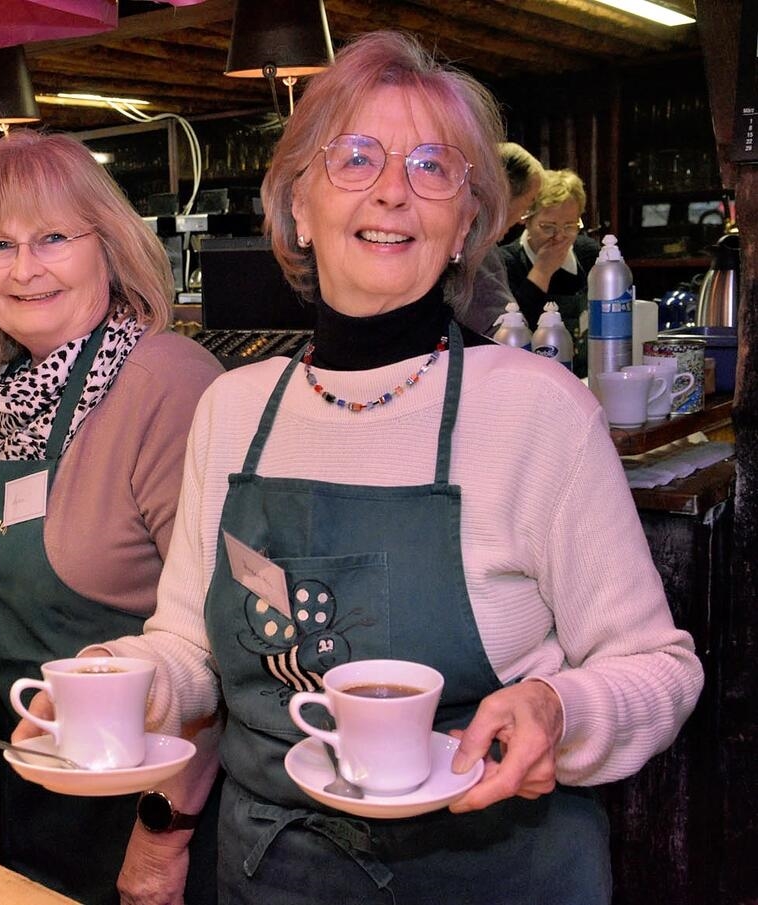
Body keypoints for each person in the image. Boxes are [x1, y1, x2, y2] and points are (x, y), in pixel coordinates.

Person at [87, 32, 702, 904]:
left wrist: (561, 711)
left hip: (494, 869)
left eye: (431, 166)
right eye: (356, 157)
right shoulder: (233, 409)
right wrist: (135, 682)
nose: (391, 189)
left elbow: (660, 665)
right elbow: (188, 645)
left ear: (465, 225)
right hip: (272, 873)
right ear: (298, 207)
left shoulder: (536, 408)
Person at [0, 130, 224, 904]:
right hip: (37, 782)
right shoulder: (1, 394)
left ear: (110, 246)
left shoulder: (170, 383)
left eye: (53, 237)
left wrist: (161, 838)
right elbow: (24, 548)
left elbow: (223, 643)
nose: (25, 269)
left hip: (163, 803)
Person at [500, 168, 601, 364]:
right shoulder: (505, 262)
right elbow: (512, 334)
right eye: (548, 227)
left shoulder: (588, 254)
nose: (560, 236)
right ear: (526, 219)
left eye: (570, 226)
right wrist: (542, 271)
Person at [465, 142, 544, 335]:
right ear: (504, 192)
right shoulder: (477, 244)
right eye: (529, 202)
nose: (523, 218)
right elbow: (507, 333)